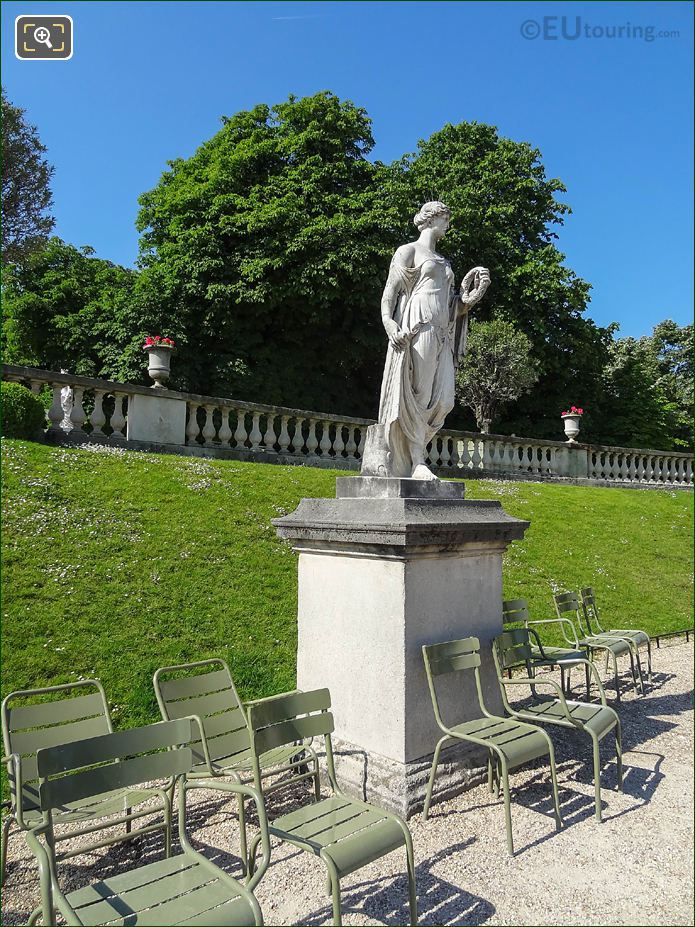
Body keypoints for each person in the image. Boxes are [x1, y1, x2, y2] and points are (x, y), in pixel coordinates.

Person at [374, 200, 490, 480]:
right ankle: (416, 462)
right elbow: (390, 291)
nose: (448, 224)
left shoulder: (445, 262)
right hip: (418, 325)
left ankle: (416, 455)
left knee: (445, 400)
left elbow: (454, 306)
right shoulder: (409, 251)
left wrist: (475, 294)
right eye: (445, 218)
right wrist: (389, 323)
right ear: (431, 219)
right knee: (420, 394)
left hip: (441, 331)